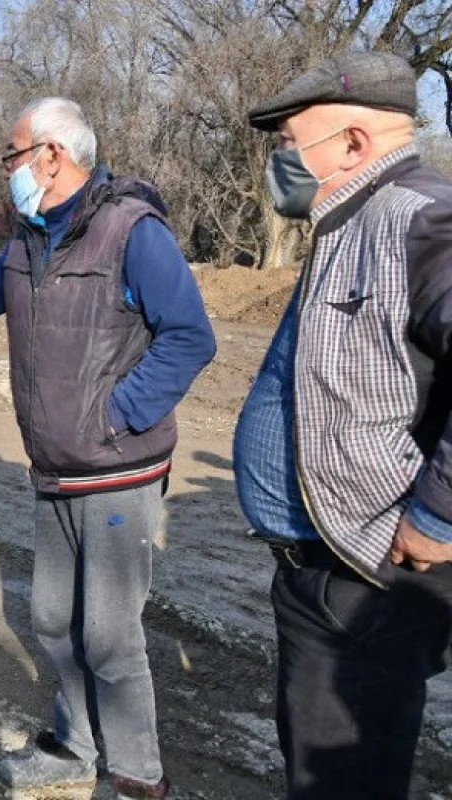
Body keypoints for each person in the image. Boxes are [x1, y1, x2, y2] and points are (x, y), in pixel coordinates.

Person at [0, 97, 216, 799]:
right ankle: (76, 746)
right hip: (53, 472)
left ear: (51, 155)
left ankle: (138, 777)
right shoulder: (28, 240)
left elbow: (190, 336)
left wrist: (113, 418)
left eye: (12, 154)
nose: (8, 170)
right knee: (54, 620)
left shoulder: (131, 231)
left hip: (118, 471)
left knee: (111, 637)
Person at [235, 51, 452, 799]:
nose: (281, 161)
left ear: (353, 144)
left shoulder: (421, 219)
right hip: (320, 569)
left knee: (345, 783)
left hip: (367, 581)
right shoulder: (344, 221)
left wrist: (439, 513)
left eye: (290, 142)